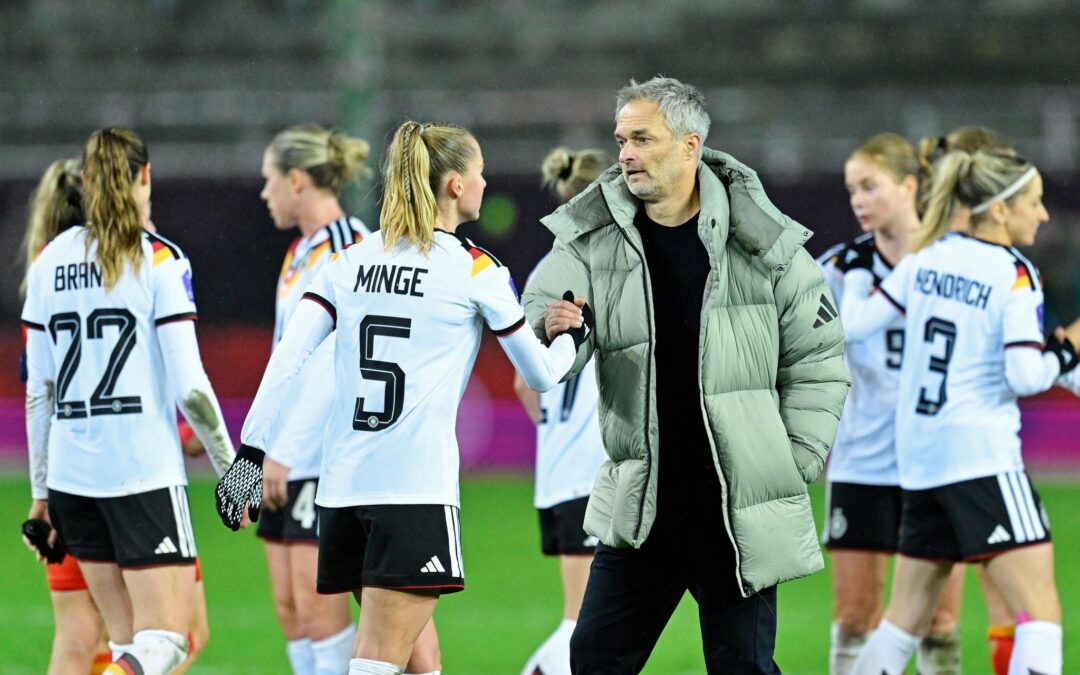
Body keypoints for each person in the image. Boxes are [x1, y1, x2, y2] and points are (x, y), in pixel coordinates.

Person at [216, 120, 585, 675]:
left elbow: (287, 358)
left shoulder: (351, 260)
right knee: (378, 661)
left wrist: (249, 454)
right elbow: (539, 376)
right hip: (412, 491)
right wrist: (571, 340)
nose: (485, 183)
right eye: (479, 173)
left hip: (341, 492)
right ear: (456, 185)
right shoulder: (476, 269)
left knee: (421, 659)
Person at [522, 76, 850, 674]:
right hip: (641, 503)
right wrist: (552, 328)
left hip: (732, 508)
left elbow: (820, 360)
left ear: (690, 145)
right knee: (592, 661)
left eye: (642, 139)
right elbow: (537, 324)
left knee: (742, 668)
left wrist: (792, 457)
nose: (625, 154)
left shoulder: (766, 242)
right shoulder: (593, 237)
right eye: (621, 139)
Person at [841, 151, 1079, 675]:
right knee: (1040, 615)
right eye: (1034, 203)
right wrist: (1069, 348)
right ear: (998, 210)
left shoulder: (927, 257)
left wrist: (856, 277)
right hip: (982, 461)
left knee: (902, 620)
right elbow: (1024, 376)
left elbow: (858, 324)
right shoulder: (1013, 273)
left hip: (921, 461)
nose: (1041, 215)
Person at [20, 128, 236, 675]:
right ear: (145, 176)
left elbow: (38, 392)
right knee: (167, 643)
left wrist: (41, 495)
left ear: (87, 181)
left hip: (72, 479)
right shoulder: (158, 259)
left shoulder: (49, 261)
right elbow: (190, 386)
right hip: (140, 475)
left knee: (126, 646)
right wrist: (232, 469)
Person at [255, 123, 440, 675]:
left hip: (329, 458)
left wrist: (283, 451)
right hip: (287, 457)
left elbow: (333, 372)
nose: (264, 194)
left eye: (269, 182)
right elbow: (285, 358)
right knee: (294, 610)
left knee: (339, 614)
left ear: (295, 181)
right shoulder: (301, 252)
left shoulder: (350, 248)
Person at [818, 133, 964, 675]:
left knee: (940, 620)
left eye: (870, 186)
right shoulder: (837, 269)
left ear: (910, 186)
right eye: (852, 188)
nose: (858, 199)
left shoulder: (955, 263)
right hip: (863, 461)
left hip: (939, 463)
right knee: (856, 615)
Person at [514, 147, 611, 675]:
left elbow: (523, 383)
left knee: (596, 621)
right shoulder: (608, 268)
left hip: (557, 470)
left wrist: (559, 422)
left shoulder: (546, 272)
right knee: (583, 627)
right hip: (590, 471)